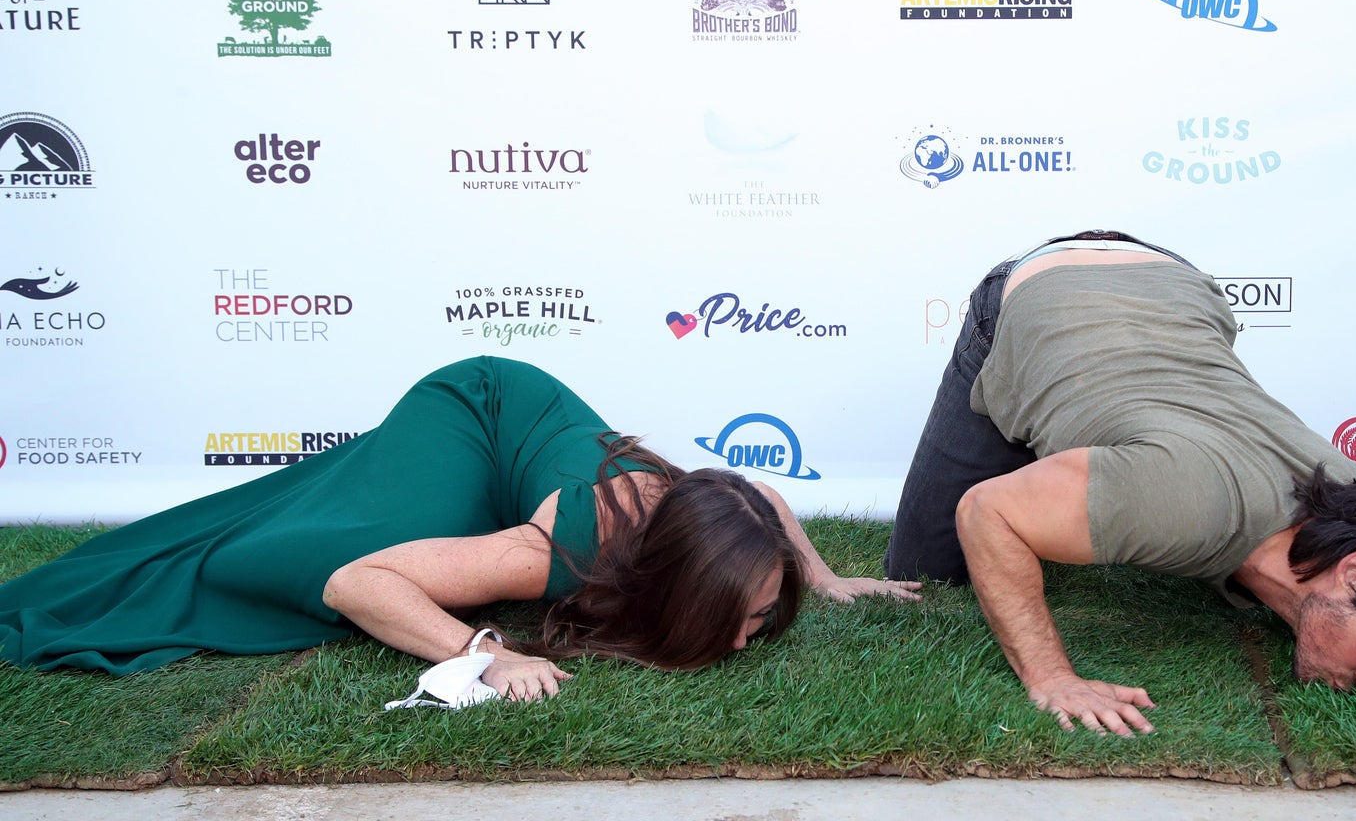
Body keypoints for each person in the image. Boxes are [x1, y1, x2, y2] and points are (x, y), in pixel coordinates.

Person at [884, 230, 1356, 737]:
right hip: (1045, 287)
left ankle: (1074, 444)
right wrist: (1051, 677)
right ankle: (1025, 390)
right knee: (924, 566)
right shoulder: (1187, 506)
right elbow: (988, 511)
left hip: (1178, 290)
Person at [1, 357, 920, 697]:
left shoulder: (711, 511)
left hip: (540, 433)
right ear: (680, 574)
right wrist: (486, 652)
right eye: (743, 613)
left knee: (408, 552)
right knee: (323, 556)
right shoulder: (562, 546)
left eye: (758, 618)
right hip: (475, 411)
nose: (745, 637)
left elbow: (762, 499)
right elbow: (361, 584)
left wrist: (825, 579)